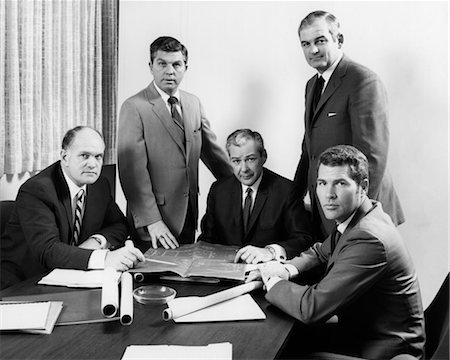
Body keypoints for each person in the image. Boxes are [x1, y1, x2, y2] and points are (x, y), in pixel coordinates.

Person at [248, 145, 425, 360]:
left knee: (286, 352)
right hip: (362, 331)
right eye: (322, 183)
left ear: (363, 186)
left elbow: (311, 308)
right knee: (289, 342)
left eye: (340, 183)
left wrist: (272, 279)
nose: (329, 194)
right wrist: (286, 269)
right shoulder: (361, 216)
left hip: (385, 350)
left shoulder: (369, 238)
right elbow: (321, 252)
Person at [292, 10, 404, 240]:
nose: (312, 50)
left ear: (339, 40)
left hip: (361, 213)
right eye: (305, 44)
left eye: (320, 41)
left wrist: (355, 216)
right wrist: (291, 200)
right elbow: (309, 150)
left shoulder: (363, 81)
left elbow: (372, 157)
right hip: (328, 208)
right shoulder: (312, 85)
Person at [118, 36, 232, 251]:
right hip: (151, 222)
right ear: (151, 66)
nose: (170, 71)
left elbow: (214, 156)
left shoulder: (193, 103)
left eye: (176, 64)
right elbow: (131, 173)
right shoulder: (134, 107)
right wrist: (152, 221)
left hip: (188, 215)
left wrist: (243, 186)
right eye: (162, 64)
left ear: (185, 68)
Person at [1, 126, 145, 289]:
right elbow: (48, 251)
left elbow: (119, 224)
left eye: (98, 157)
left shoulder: (99, 185)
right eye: (84, 156)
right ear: (65, 157)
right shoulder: (37, 190)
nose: (92, 164)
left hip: (70, 276)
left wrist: (96, 241)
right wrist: (104, 258)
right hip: (24, 281)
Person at [198, 129, 313, 264]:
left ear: (263, 156)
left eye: (250, 159)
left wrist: (270, 251)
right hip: (225, 273)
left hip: (268, 275)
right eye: (236, 161)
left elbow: (304, 239)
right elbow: (208, 240)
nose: (244, 168)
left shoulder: (286, 191)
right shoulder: (218, 190)